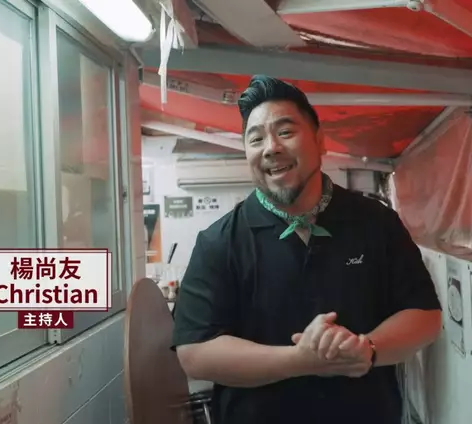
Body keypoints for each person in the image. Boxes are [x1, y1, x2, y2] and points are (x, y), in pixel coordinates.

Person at [171, 75, 442, 424]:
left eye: (285, 132)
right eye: (256, 139)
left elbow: (425, 315)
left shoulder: (376, 222)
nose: (271, 148)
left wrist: (367, 349)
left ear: (319, 140)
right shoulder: (219, 242)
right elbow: (194, 353)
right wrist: (299, 360)